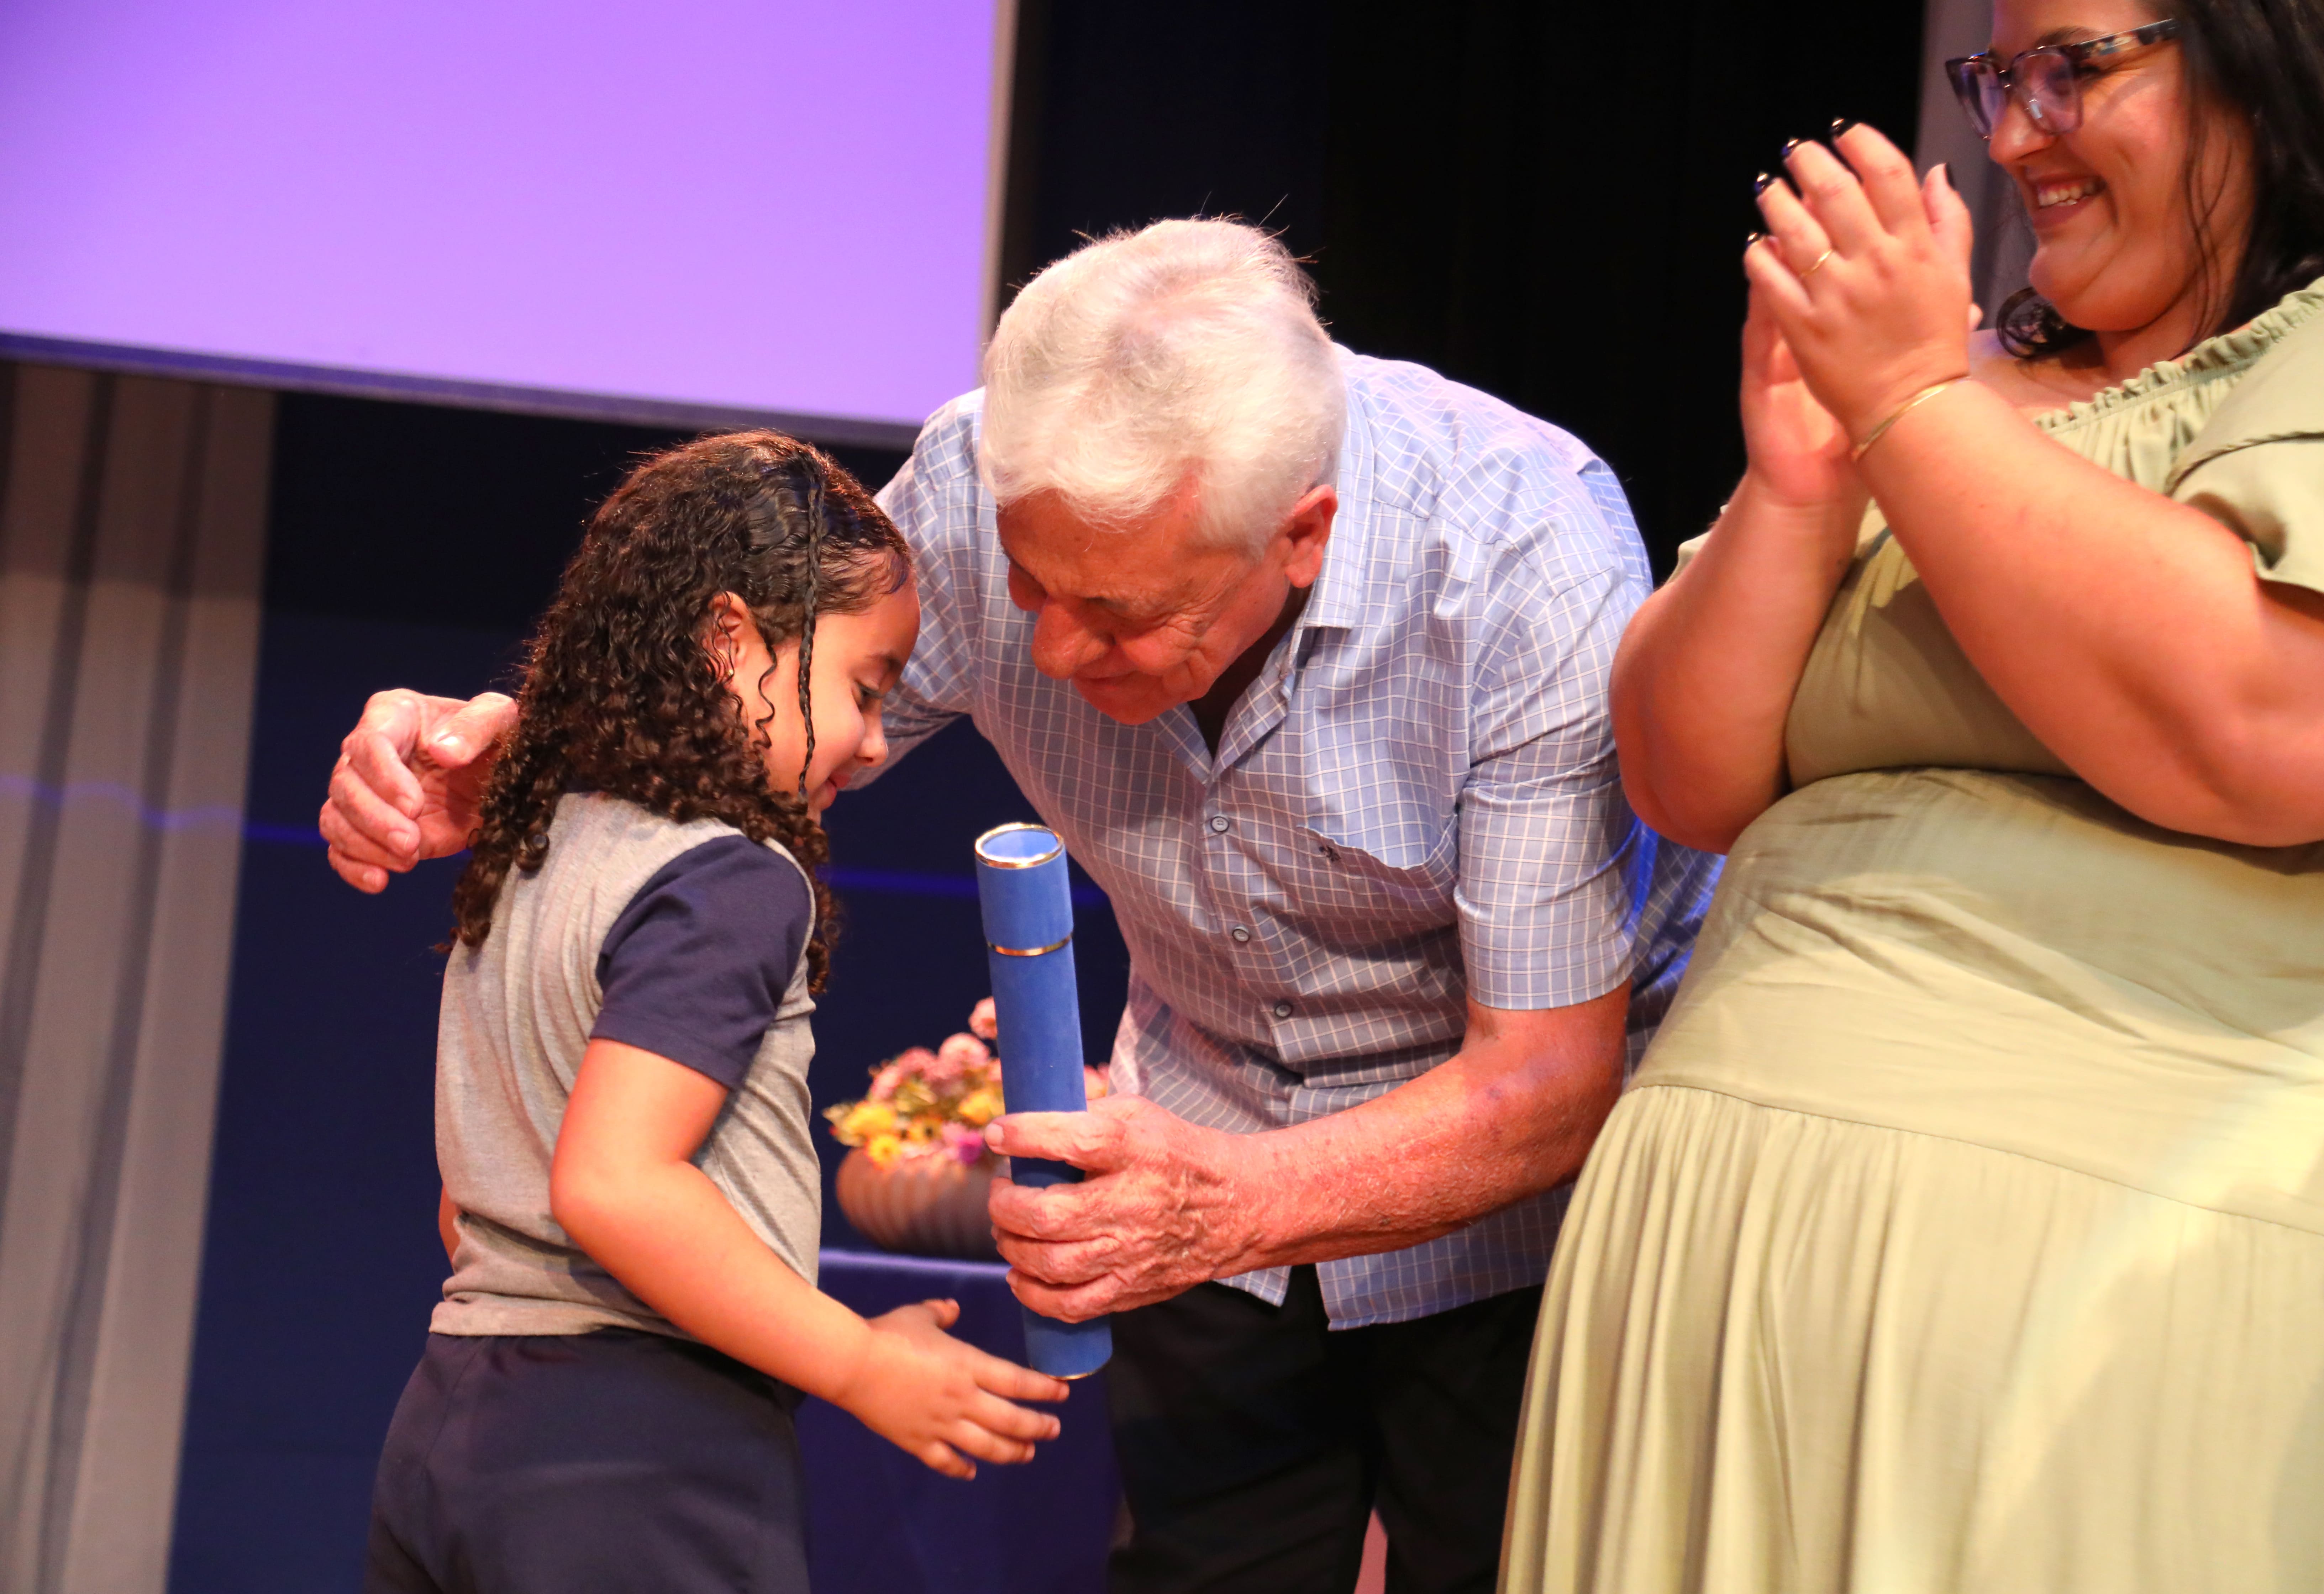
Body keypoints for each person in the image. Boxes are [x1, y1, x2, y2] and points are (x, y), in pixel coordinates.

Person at [324, 220, 1717, 1594]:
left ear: (1300, 537)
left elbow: (1546, 1077)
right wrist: (511, 758)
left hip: (1505, 1207)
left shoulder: (1521, 549)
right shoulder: (981, 475)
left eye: (1117, 613)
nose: (1047, 649)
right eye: (1027, 583)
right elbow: (741, 713)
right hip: (1197, 1138)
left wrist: (1226, 1203)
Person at [1504, 0, 2324, 1585]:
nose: (2015, 134)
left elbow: (2268, 724)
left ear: (2272, 56)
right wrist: (1799, 481)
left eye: (2076, 67)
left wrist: (1915, 410)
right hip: (1717, 1273)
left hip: (2102, 1340)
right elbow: (1683, 775)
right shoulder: (1953, 383)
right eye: (1999, 77)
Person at [364, 432, 1069, 1594]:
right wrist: (860, 1364)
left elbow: (473, 1204)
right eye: (864, 690)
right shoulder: (732, 875)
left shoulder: (536, 841)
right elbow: (612, 1185)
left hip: (450, 1430)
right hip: (638, 1461)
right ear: (731, 640)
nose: (876, 743)